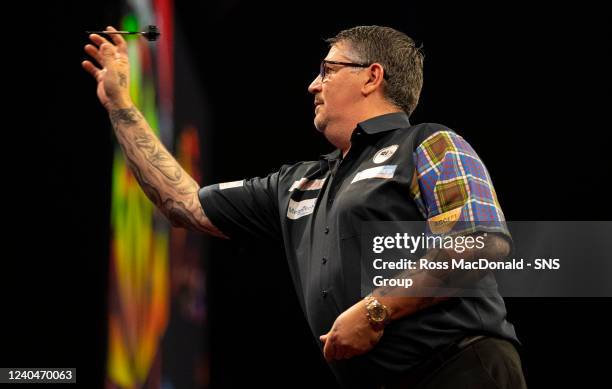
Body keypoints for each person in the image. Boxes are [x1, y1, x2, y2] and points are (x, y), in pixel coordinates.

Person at [83, 25, 527, 389]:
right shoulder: (299, 181)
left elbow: (480, 241)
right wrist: (121, 105)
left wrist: (377, 308)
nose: (312, 84)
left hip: (460, 370)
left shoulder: (428, 144)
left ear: (372, 77)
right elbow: (183, 205)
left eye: (327, 70)